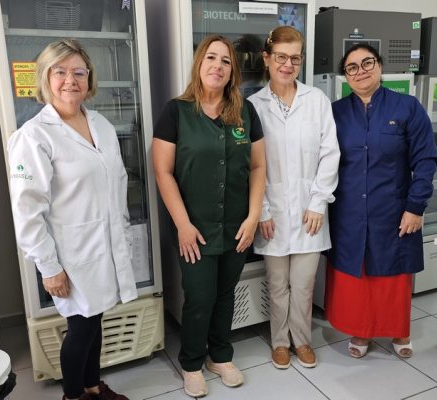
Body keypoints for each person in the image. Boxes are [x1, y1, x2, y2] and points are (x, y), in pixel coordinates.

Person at [7, 39, 134, 400]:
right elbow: (27, 210)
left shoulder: (100, 124)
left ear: (89, 78)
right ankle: (74, 396)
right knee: (81, 329)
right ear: (45, 78)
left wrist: (123, 234)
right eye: (60, 72)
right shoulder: (34, 136)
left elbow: (117, 183)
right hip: (70, 254)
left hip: (105, 245)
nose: (70, 80)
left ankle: (93, 387)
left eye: (79, 72)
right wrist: (49, 267)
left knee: (96, 319)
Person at [152, 35, 266, 397]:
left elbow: (258, 166)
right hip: (194, 226)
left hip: (236, 224)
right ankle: (191, 363)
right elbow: (163, 172)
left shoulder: (245, 112)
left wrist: (253, 216)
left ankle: (220, 356)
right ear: (199, 64)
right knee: (200, 296)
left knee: (225, 293)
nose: (218, 66)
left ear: (233, 71)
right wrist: (182, 225)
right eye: (211, 58)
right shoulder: (177, 111)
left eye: (226, 61)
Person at [325, 44, 437, 359]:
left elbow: (426, 160)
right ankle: (361, 331)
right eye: (352, 67)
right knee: (358, 275)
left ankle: (399, 330)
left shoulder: (407, 107)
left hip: (393, 210)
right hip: (348, 211)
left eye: (367, 63)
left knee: (393, 275)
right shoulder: (334, 112)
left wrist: (415, 206)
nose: (360, 71)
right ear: (345, 75)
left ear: (380, 66)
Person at [248, 26, 340, 370]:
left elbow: (330, 153)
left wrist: (318, 203)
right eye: (281, 57)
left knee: (303, 284)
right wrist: (262, 210)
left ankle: (302, 341)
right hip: (271, 212)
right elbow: (252, 164)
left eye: (295, 59)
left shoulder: (316, 100)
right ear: (267, 59)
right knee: (277, 284)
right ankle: (280, 342)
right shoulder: (253, 106)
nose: (288, 65)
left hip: (309, 211)